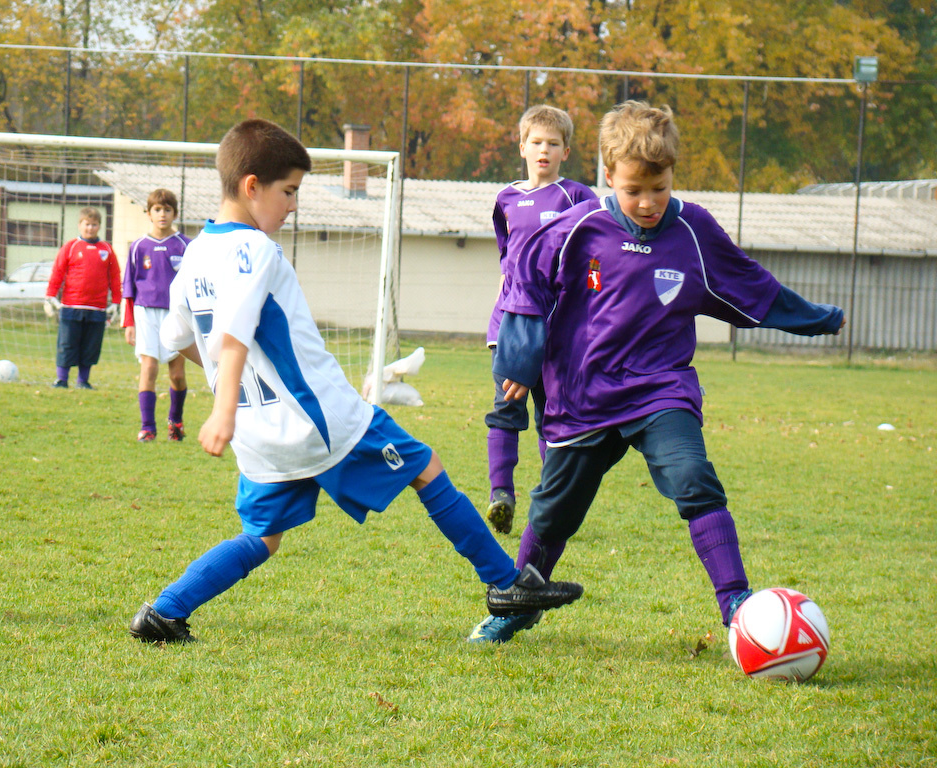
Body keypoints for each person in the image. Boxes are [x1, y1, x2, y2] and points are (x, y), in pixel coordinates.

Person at [128, 118, 584, 644]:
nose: (293, 205)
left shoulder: (196, 255)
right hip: (320, 420)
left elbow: (182, 340)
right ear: (252, 186)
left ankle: (164, 611)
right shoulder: (252, 250)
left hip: (262, 436)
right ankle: (505, 585)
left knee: (262, 537)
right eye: (289, 192)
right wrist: (222, 407)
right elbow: (230, 337)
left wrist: (236, 397)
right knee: (426, 468)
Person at [468, 101, 845, 644]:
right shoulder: (575, 230)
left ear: (673, 175)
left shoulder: (693, 229)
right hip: (584, 395)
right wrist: (521, 362)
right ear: (607, 178)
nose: (647, 203)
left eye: (659, 188)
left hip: (660, 389)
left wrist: (816, 319)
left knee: (694, 478)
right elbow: (525, 286)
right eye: (633, 190)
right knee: (552, 510)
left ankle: (736, 604)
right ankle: (521, 603)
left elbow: (750, 283)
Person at [484, 105, 596, 536]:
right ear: (522, 146)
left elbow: (594, 261)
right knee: (506, 408)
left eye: (553, 143)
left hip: (557, 329)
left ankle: (553, 503)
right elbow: (507, 262)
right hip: (511, 325)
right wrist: (496, 319)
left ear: (566, 150)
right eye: (536, 142)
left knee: (555, 414)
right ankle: (501, 496)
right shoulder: (506, 199)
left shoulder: (578, 197)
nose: (543, 150)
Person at [121, 189, 191, 442]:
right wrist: (128, 322)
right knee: (148, 369)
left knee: (177, 375)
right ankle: (147, 427)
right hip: (145, 312)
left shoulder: (186, 245)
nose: (162, 214)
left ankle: (176, 420)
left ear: (175, 213)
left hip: (177, 314)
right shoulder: (139, 246)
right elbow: (128, 286)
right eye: (157, 209)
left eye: (167, 209)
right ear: (149, 213)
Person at [45, 207, 122, 389]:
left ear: (99, 226)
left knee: (90, 347)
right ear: (80, 225)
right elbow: (57, 272)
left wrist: (117, 302)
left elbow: (115, 277)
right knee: (67, 343)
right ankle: (62, 379)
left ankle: (83, 381)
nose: (90, 228)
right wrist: (49, 296)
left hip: (97, 309)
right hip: (71, 306)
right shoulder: (70, 247)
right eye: (87, 224)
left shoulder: (107, 250)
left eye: (94, 225)